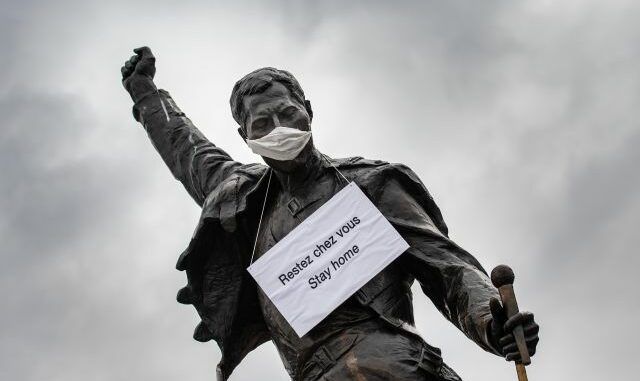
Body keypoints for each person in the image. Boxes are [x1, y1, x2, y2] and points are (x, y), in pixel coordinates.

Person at [121, 47, 539, 381]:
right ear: (245, 136)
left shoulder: (370, 185)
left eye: (287, 114)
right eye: (262, 123)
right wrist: (147, 94)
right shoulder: (244, 200)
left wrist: (490, 318)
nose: (278, 128)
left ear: (307, 108)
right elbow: (187, 151)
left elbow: (447, 267)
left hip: (394, 368)